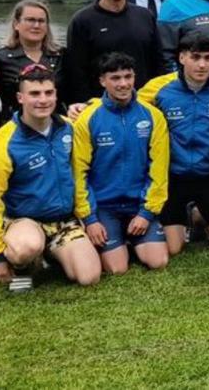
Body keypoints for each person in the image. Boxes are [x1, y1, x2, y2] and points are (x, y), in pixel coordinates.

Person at [0, 64, 100, 293]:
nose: (43, 100)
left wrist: (87, 217)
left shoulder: (70, 129)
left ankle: (51, 254)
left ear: (56, 95)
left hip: (63, 221)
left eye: (48, 93)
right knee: (25, 247)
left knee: (88, 277)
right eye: (34, 94)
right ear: (20, 97)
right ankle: (23, 265)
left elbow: (81, 176)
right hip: (23, 221)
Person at [138, 33, 209, 255]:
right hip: (173, 177)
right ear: (181, 58)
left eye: (208, 58)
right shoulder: (158, 88)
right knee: (174, 248)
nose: (202, 64)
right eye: (195, 57)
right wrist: (86, 106)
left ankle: (199, 216)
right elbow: (126, 103)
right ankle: (187, 215)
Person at [72, 53, 170, 274]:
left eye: (128, 76)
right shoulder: (88, 119)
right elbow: (78, 173)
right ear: (102, 81)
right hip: (104, 207)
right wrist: (90, 219)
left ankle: (131, 237)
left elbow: (159, 169)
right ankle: (116, 238)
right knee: (117, 269)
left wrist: (146, 213)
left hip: (138, 204)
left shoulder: (153, 116)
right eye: (115, 78)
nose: (123, 83)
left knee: (158, 261)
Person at [64, 0, 160, 109]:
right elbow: (76, 73)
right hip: (100, 108)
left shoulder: (145, 16)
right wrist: (84, 106)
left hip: (143, 106)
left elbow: (157, 64)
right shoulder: (82, 21)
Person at [0, 0, 63, 127]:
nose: (36, 25)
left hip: (57, 126)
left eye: (41, 21)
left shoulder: (62, 56)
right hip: (15, 127)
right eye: (30, 20)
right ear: (16, 24)